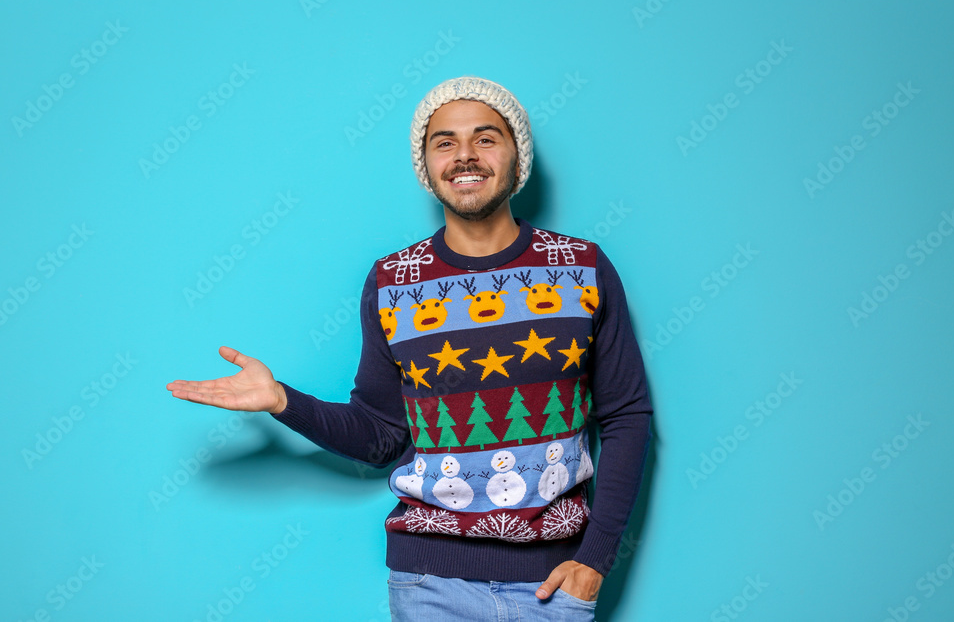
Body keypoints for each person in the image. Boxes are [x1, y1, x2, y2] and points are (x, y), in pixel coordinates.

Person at [167, 76, 652, 621]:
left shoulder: (581, 266)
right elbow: (381, 436)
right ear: (427, 166)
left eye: (485, 138)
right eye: (444, 142)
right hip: (430, 586)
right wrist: (282, 400)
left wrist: (595, 560)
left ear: (518, 156)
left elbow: (628, 417)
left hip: (553, 586)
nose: (465, 155)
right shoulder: (393, 281)